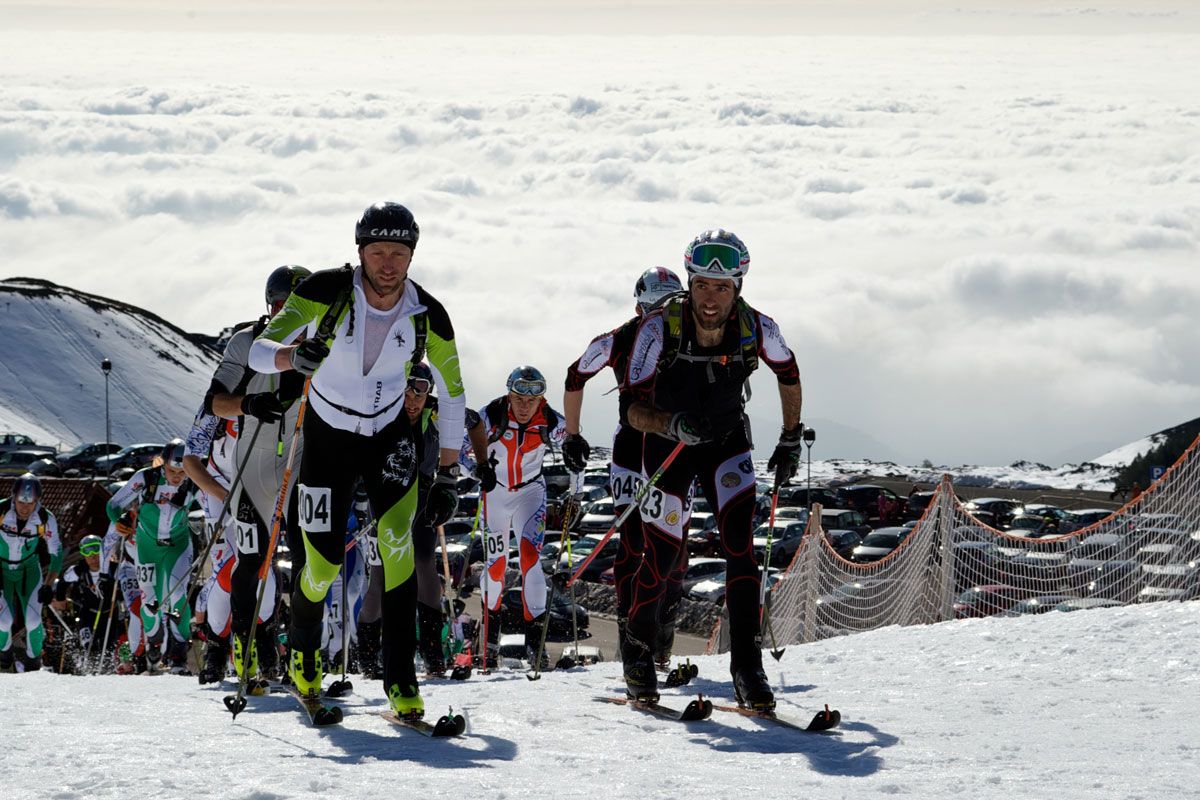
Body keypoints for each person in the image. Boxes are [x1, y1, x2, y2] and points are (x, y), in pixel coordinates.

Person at [248, 202, 466, 720]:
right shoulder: (325, 292)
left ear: (412, 255)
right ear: (360, 253)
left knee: (398, 551)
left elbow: (454, 392)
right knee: (320, 567)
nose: (387, 264)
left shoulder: (428, 314)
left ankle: (401, 678)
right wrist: (288, 359)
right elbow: (261, 348)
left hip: (389, 435)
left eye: (398, 253)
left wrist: (450, 472)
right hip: (327, 437)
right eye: (377, 252)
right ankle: (303, 655)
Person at [622, 229, 803, 709]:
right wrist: (671, 423)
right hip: (668, 447)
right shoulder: (658, 328)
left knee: (741, 552)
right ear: (689, 281)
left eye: (722, 288)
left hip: (726, 443)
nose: (710, 297)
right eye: (702, 284)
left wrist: (789, 438)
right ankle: (637, 655)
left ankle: (748, 669)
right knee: (661, 557)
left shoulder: (757, 326)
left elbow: (789, 372)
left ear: (738, 287)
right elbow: (631, 412)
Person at [562, 267, 687, 668]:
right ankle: (629, 644)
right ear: (638, 307)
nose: (661, 317)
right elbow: (575, 373)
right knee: (634, 544)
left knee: (674, 547)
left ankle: (661, 642)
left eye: (670, 307)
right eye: (653, 308)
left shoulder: (694, 332)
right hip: (632, 449)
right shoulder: (617, 338)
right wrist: (573, 435)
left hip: (676, 449)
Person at [202, 265, 312, 686]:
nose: (292, 321)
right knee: (251, 559)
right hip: (253, 464)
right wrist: (248, 404)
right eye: (284, 308)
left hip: (305, 463)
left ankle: (303, 655)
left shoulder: (328, 347)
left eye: (301, 311)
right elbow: (215, 403)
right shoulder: (247, 342)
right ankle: (243, 649)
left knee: (308, 560)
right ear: (271, 307)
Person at [464, 365, 566, 667]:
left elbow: (576, 451)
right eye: (518, 398)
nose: (524, 406)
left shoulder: (550, 421)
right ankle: (490, 643)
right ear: (509, 395)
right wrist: (476, 471)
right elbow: (457, 446)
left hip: (530, 493)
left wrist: (575, 494)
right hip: (495, 494)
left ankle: (535, 646)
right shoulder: (491, 414)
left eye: (531, 401)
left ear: (541, 400)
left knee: (530, 560)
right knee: (496, 567)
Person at [106, 440, 201, 671]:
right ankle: (154, 642)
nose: (177, 477)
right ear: (162, 465)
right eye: (172, 471)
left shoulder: (195, 479)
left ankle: (178, 652)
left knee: (177, 593)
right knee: (150, 602)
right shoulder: (145, 478)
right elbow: (113, 504)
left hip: (178, 545)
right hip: (147, 546)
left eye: (182, 472)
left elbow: (217, 500)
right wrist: (119, 521)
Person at [0, 473, 63, 671]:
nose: (25, 508)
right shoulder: (1, 510)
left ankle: (33, 662)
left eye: (31, 503)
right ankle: (4, 654)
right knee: (4, 621)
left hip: (29, 571)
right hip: (1, 570)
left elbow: (57, 552)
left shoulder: (45, 518)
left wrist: (48, 584)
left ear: (38, 501)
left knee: (34, 619)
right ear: (13, 498)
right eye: (21, 502)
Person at [51, 534, 115, 669]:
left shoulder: (112, 568)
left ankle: (107, 672)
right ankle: (88, 668)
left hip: (108, 614)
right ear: (83, 554)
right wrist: (61, 599)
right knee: (89, 645)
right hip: (87, 614)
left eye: (96, 550)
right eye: (87, 551)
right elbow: (62, 583)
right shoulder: (78, 571)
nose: (93, 556)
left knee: (107, 647)